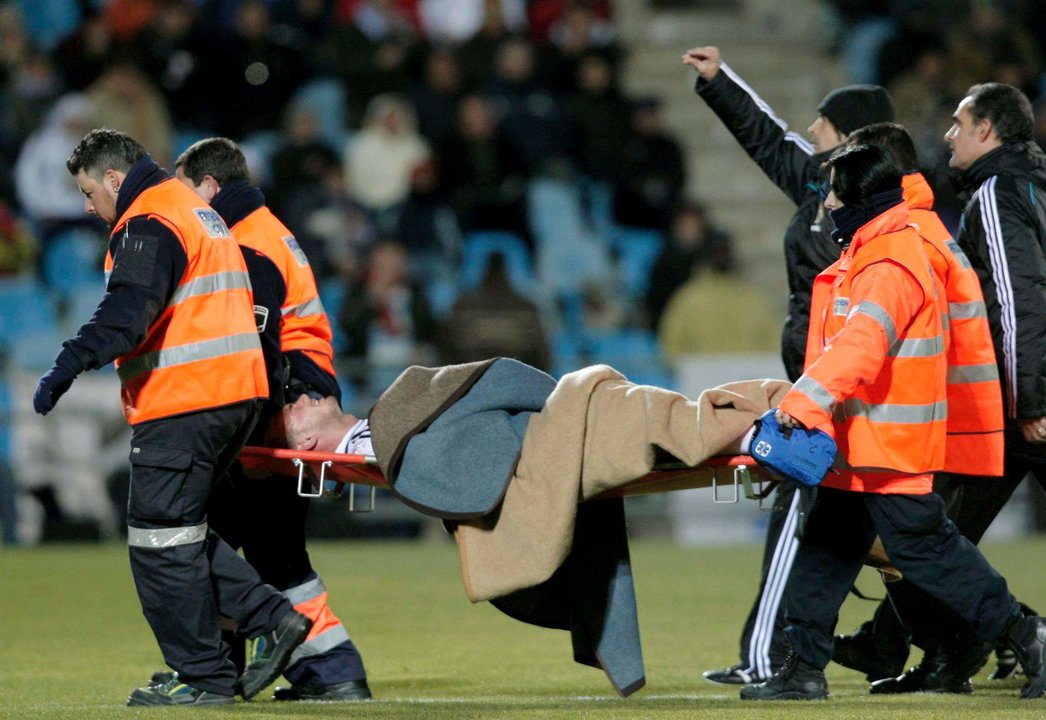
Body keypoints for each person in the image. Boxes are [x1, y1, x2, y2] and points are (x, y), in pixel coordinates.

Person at [739, 143, 1046, 702]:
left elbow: (860, 348)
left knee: (929, 554)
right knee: (827, 550)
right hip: (862, 443)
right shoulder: (878, 253)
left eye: (834, 192)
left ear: (861, 199)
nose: (827, 203)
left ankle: (1029, 637)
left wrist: (802, 403)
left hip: (888, 445)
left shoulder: (889, 263)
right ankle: (802, 670)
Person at [32, 128, 311, 706]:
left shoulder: (148, 217)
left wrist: (69, 360)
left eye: (88, 192)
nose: (87, 207)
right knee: (177, 534)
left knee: (158, 543)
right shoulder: (193, 209)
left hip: (187, 397)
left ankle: (213, 671)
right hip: (235, 394)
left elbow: (130, 310)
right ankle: (249, 633)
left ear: (114, 179)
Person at [682, 44, 894, 685]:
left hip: (844, 386)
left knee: (815, 521)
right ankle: (989, 630)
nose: (810, 132)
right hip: (822, 379)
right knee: (900, 536)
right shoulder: (824, 185)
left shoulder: (878, 202)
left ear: (852, 134)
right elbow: (767, 139)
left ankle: (771, 658)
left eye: (823, 125)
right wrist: (721, 84)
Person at [855, 83, 1046, 692]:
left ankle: (966, 647)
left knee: (922, 534)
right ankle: (946, 653)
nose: (948, 135)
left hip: (1016, 402)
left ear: (987, 130)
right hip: (1018, 396)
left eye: (959, 124)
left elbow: (1018, 302)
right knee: (936, 533)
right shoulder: (1034, 186)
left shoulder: (995, 195)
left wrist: (1030, 399)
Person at [174, 137, 372, 702]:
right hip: (298, 404)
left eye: (186, 189)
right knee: (265, 553)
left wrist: (249, 433)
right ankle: (323, 672)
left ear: (210, 187)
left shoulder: (243, 243)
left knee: (201, 541)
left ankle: (225, 671)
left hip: (279, 415)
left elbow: (257, 349)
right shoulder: (268, 230)